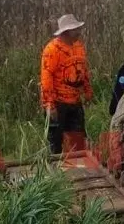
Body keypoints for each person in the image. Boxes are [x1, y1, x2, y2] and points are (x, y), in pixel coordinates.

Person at [40, 14, 94, 154]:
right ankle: (57, 173)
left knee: (78, 139)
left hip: (75, 102)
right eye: (75, 29)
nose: (79, 32)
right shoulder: (52, 50)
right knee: (56, 142)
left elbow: (84, 70)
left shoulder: (79, 47)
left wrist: (87, 92)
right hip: (57, 103)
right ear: (67, 31)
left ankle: (79, 169)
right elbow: (47, 79)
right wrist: (50, 105)